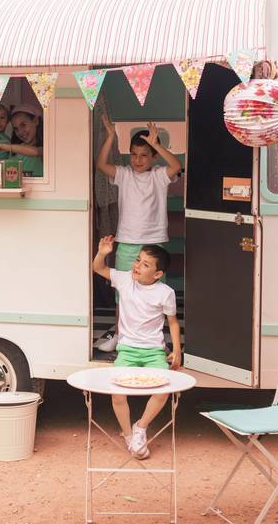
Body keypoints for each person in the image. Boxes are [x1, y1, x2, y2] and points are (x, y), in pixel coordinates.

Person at [94, 111, 182, 352]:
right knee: (123, 295)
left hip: (154, 244)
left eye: (144, 155)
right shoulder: (124, 174)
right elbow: (101, 165)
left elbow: (176, 165)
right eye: (133, 155)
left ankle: (158, 340)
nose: (138, 160)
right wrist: (111, 136)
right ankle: (121, 336)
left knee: (155, 296)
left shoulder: (159, 176)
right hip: (127, 243)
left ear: (154, 157)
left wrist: (156, 144)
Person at [92, 236, 180, 459]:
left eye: (145, 264)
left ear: (158, 274)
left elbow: (172, 322)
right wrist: (103, 252)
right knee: (117, 394)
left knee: (163, 390)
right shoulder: (124, 280)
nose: (137, 266)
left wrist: (176, 350)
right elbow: (98, 268)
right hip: (128, 349)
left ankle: (141, 427)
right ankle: (129, 435)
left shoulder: (165, 292)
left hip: (153, 351)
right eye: (138, 260)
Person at [0, 103, 44, 176]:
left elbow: (35, 151)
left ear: (35, 121)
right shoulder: (14, 150)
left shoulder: (46, 146)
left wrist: (0, 146)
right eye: (16, 129)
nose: (20, 132)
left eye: (23, 125)